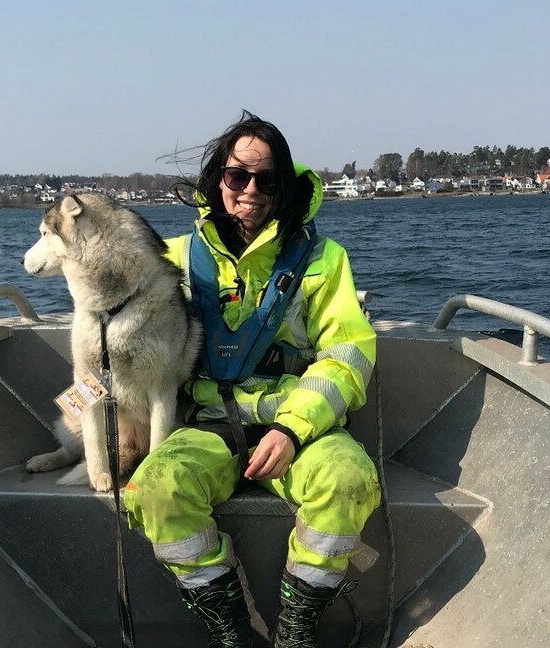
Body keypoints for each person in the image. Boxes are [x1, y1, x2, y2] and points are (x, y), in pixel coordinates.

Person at [123, 111, 380, 648]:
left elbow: (346, 354)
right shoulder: (169, 259)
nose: (251, 191)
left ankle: (296, 629)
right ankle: (231, 629)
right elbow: (122, 338)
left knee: (348, 480)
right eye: (238, 176)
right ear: (217, 180)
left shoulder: (325, 260)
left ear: (285, 186)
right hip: (207, 424)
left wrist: (291, 430)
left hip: (298, 426)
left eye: (267, 180)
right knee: (156, 488)